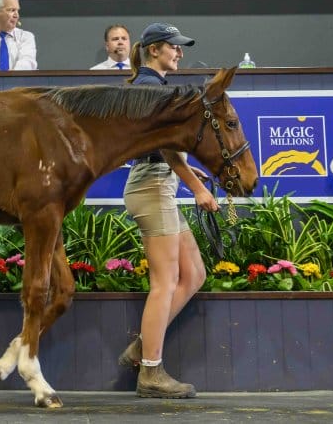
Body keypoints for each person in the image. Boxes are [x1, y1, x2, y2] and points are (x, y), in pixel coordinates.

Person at [117, 22, 218, 399]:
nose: (180, 53)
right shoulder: (149, 88)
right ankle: (151, 372)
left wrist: (190, 175)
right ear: (155, 49)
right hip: (152, 186)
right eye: (174, 47)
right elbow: (164, 148)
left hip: (160, 183)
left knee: (193, 273)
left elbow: (164, 150)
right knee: (164, 282)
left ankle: (143, 347)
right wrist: (195, 187)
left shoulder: (153, 86)